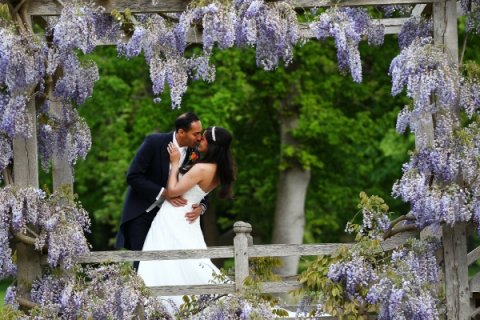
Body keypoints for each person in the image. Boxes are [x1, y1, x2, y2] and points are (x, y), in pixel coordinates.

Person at [138, 126, 235, 310]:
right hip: (189, 219)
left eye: (204, 139)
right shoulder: (218, 170)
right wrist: (203, 206)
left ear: (212, 145)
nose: (200, 141)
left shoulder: (202, 168)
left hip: (173, 217)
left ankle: (166, 306)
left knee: (168, 260)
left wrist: (174, 163)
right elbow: (198, 194)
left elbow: (173, 191)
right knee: (188, 261)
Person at [115, 112, 208, 271]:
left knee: (170, 266)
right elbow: (133, 176)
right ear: (181, 132)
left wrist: (202, 207)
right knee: (143, 265)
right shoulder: (154, 142)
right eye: (196, 134)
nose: (199, 138)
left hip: (172, 219)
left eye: (201, 133)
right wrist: (165, 193)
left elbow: (202, 186)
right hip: (143, 213)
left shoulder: (195, 154)